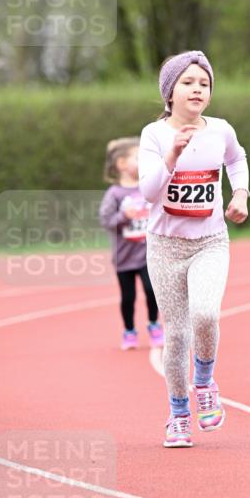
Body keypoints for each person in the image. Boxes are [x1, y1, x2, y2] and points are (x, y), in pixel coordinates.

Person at [138, 51, 249, 447]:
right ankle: (179, 414)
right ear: (170, 92)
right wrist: (172, 155)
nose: (197, 89)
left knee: (205, 314)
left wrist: (241, 193)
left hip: (210, 242)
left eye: (204, 83)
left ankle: (204, 382)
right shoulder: (154, 135)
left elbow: (237, 159)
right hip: (165, 247)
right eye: (188, 82)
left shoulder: (221, 130)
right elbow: (148, 192)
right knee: (176, 335)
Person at [98, 137, 164, 351]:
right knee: (128, 297)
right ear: (122, 164)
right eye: (138, 157)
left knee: (151, 290)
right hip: (124, 257)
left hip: (147, 254)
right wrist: (123, 216)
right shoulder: (114, 194)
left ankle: (154, 324)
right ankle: (129, 330)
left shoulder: (148, 187)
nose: (143, 161)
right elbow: (106, 221)